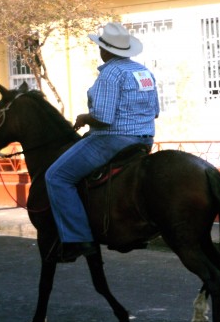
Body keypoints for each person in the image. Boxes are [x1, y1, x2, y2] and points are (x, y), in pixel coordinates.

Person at [45, 22, 160, 262]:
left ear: (106, 50)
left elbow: (104, 119)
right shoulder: (143, 72)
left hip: (112, 139)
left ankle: (77, 239)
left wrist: (84, 117)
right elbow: (155, 111)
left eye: (101, 47)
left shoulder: (110, 73)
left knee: (56, 177)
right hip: (145, 140)